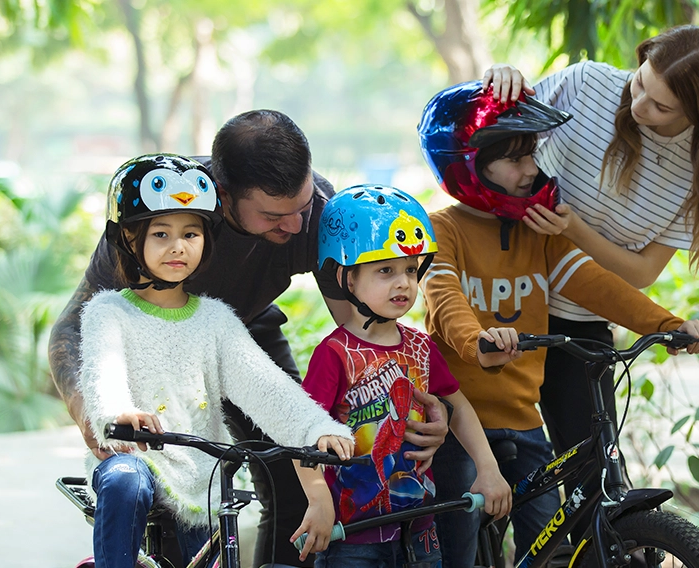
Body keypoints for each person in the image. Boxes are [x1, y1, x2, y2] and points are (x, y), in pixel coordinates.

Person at [48, 109, 450, 568]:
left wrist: (410, 407)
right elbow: (73, 330)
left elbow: (362, 333)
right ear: (221, 197)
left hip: (244, 334)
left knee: (299, 477)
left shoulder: (317, 209)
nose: (298, 228)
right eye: (274, 216)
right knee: (165, 502)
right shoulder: (164, 211)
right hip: (153, 350)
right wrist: (98, 417)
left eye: (301, 209)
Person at [416, 81, 699, 565]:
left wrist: (668, 325)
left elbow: (596, 284)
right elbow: (445, 298)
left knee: (550, 549)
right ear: (467, 162)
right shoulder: (443, 229)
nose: (531, 169)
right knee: (459, 548)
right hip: (461, 427)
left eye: (532, 154)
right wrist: (478, 341)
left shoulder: (538, 232)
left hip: (525, 422)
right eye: (515, 159)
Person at [481, 24, 699, 477]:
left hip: (581, 322)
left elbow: (642, 272)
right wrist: (498, 81)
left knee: (598, 482)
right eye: (640, 82)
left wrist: (574, 229)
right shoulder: (587, 84)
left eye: (661, 106)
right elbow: (494, 138)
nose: (638, 106)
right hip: (505, 302)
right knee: (496, 476)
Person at [79, 154, 356, 568]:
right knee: (124, 482)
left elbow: (265, 386)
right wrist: (117, 412)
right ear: (130, 240)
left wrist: (316, 428)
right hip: (136, 457)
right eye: (160, 234)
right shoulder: (109, 312)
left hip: (202, 474)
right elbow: (103, 374)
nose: (178, 246)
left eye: (191, 233)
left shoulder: (215, 319)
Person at [299, 185, 512, 567]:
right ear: (348, 278)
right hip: (351, 537)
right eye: (385, 270)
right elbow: (300, 435)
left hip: (419, 530)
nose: (403, 283)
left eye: (411, 270)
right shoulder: (333, 355)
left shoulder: (421, 347)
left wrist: (488, 468)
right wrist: (317, 501)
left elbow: (458, 407)